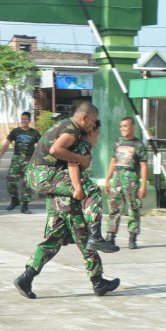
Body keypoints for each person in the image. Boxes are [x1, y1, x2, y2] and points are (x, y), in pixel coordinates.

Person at [15, 120, 120, 298]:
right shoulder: (83, 145)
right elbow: (73, 166)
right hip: (69, 204)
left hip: (55, 202)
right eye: (98, 133)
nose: (98, 138)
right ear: (92, 131)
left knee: (52, 241)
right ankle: (98, 280)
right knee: (87, 241)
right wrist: (79, 188)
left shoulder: (71, 143)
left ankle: (26, 277)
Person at [23, 101, 117, 253]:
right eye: (92, 121)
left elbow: (68, 159)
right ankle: (95, 237)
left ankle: (66, 233)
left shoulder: (65, 124)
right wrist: (81, 161)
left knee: (73, 197)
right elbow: (56, 149)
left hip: (38, 174)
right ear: (85, 118)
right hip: (42, 173)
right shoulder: (73, 129)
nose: (92, 126)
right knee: (91, 189)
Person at [104, 116, 149, 249]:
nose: (122, 129)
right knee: (114, 207)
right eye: (121, 126)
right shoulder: (117, 143)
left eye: (125, 126)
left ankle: (132, 237)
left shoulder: (139, 145)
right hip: (117, 178)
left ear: (132, 127)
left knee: (133, 208)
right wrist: (108, 179)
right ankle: (110, 236)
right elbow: (113, 161)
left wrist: (143, 185)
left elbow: (144, 166)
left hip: (131, 178)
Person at [0, 111, 42, 213]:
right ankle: (14, 200)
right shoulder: (15, 131)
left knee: (27, 183)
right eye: (22, 119)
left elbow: (40, 147)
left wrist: (39, 161)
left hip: (29, 161)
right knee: (10, 180)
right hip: (16, 160)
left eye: (26, 119)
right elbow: (7, 144)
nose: (24, 121)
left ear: (29, 120)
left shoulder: (34, 133)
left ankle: (25, 206)